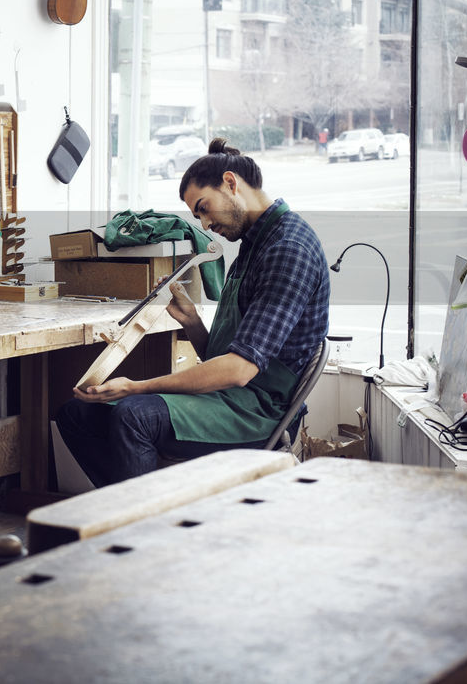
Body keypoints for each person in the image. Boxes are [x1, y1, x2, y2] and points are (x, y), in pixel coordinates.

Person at [55, 138, 330, 487]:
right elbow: (224, 357)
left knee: (133, 416)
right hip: (231, 396)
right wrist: (191, 321)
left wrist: (136, 388)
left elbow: (238, 369)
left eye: (204, 207)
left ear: (231, 184)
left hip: (259, 411)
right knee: (76, 415)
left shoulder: (288, 249)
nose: (204, 224)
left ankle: (143, 526)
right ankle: (147, 507)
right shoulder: (254, 244)